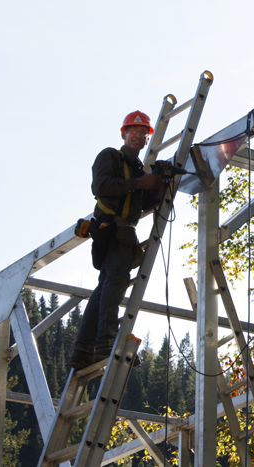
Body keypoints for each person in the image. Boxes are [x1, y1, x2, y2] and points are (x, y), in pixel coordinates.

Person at [69, 110, 169, 370]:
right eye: (133, 131)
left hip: (123, 231)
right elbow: (102, 187)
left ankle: (82, 351)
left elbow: (142, 202)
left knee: (105, 287)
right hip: (111, 229)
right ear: (124, 133)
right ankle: (105, 342)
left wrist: (158, 183)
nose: (137, 135)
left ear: (147, 138)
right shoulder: (110, 156)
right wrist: (141, 182)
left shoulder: (136, 169)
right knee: (115, 281)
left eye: (142, 132)